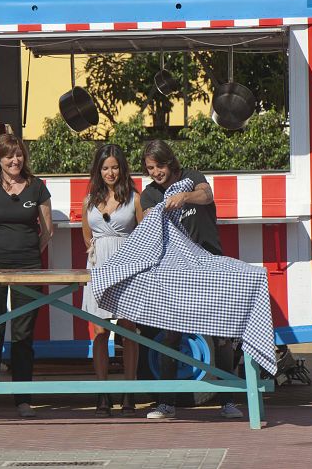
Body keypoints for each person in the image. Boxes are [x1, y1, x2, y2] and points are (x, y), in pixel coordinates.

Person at [139, 139, 243, 420]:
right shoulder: (149, 194)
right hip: (175, 272)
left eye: (159, 166)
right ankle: (166, 403)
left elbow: (206, 195)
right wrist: (159, 211)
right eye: (150, 168)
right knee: (170, 335)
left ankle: (228, 401)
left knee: (221, 336)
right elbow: (148, 223)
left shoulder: (192, 177)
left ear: (169, 162)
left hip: (210, 265)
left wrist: (184, 197)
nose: (155, 172)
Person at [0, 133, 53, 418]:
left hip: (28, 268)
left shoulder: (37, 187)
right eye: (8, 156)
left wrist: (26, 252)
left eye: (18, 154)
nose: (15, 160)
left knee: (23, 335)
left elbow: (47, 231)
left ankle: (23, 400)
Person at [81, 144, 143, 416]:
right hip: (99, 267)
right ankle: (102, 393)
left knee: (128, 330)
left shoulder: (134, 198)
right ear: (98, 170)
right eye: (105, 167)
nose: (110, 172)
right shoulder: (89, 200)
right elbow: (87, 237)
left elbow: (144, 234)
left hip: (127, 268)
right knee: (99, 331)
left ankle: (129, 393)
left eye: (115, 167)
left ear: (122, 168)